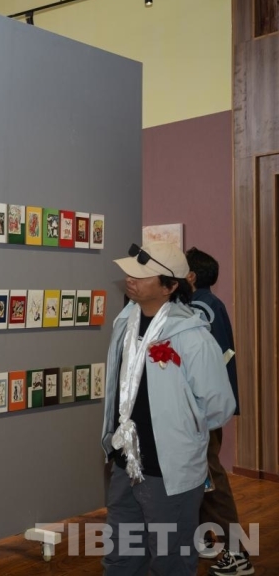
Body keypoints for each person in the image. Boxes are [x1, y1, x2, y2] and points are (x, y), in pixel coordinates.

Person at [101, 241, 236, 575]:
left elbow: (219, 406)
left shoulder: (193, 336)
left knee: (170, 560)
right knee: (121, 557)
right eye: (131, 272)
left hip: (169, 470)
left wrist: (180, 428)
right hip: (126, 463)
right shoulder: (125, 324)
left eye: (141, 275)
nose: (130, 278)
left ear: (170, 286)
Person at [186, 247, 254, 576]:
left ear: (190, 276)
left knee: (210, 479)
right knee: (199, 478)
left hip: (202, 412)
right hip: (207, 409)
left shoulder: (199, 309)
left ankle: (237, 553)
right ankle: (204, 540)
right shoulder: (211, 304)